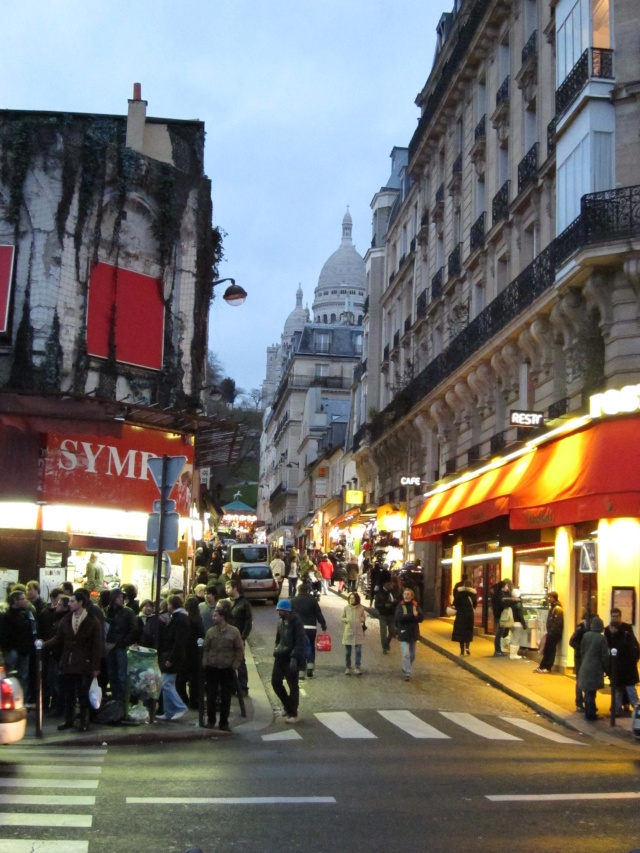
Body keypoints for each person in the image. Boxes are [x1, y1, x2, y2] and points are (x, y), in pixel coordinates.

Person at [42, 589, 102, 732]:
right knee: (69, 693)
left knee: (83, 693)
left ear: (81, 603)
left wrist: (95, 666)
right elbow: (58, 639)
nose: (69, 603)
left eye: (72, 601)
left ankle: (84, 721)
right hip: (68, 662)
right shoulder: (66, 619)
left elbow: (97, 645)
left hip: (85, 663)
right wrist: (44, 644)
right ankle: (69, 720)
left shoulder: (92, 621)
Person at [202, 599, 244, 732]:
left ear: (222, 617)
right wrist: (205, 661)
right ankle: (211, 720)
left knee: (226, 696)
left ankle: (224, 722)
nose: (213, 618)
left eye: (215, 616)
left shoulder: (234, 632)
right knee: (211, 694)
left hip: (227, 668)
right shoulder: (211, 632)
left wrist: (235, 664)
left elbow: (239, 649)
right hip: (212, 667)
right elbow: (206, 648)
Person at [271, 598, 306, 724]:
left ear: (287, 611)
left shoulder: (296, 623)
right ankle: (288, 705)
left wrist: (294, 657)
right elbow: (278, 638)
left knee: (293, 685)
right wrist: (276, 649)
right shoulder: (281, 621)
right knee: (275, 682)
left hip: (291, 658)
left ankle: (293, 713)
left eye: (281, 610)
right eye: (278, 610)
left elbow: (300, 642)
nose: (279, 613)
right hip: (280, 656)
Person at [156, 594, 190, 722]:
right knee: (166, 683)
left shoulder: (180, 619)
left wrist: (171, 659)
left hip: (173, 657)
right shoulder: (180, 618)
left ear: (171, 605)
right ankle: (168, 711)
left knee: (166, 683)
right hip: (173, 656)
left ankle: (180, 707)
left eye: (168, 604)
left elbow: (179, 642)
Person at [0, 589, 37, 699]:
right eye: (22, 599)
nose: (25, 600)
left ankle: (22, 699)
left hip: (24, 651)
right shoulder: (5, 616)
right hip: (12, 650)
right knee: (9, 676)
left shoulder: (25, 614)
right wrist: (8, 648)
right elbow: (3, 635)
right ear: (14, 601)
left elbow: (30, 631)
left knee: (23, 677)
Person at [104, 589, 138, 702]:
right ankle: (115, 699)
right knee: (112, 674)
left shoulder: (128, 612)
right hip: (109, 647)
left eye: (122, 597)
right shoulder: (106, 611)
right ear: (112, 599)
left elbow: (134, 629)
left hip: (121, 647)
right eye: (119, 597)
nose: (121, 599)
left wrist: (124, 642)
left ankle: (123, 702)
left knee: (122, 675)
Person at [605, 607, 640, 716]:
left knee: (629, 689)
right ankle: (617, 710)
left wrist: (635, 660)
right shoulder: (608, 630)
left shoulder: (626, 629)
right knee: (618, 689)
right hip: (616, 665)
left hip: (627, 665)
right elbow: (608, 646)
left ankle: (636, 709)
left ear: (620, 617)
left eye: (617, 616)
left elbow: (633, 645)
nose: (615, 619)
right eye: (613, 616)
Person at [291, 581, 327, 678]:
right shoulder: (313, 601)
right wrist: (323, 624)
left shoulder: (293, 600)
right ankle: (310, 666)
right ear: (308, 590)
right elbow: (318, 614)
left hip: (299, 628)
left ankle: (302, 671)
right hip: (311, 627)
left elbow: (290, 615)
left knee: (301, 648)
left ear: (298, 590)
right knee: (310, 645)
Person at [578, 615, 610, 721]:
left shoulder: (586, 636)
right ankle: (590, 714)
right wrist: (607, 669)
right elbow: (604, 655)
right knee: (592, 692)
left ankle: (588, 711)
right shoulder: (601, 638)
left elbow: (582, 651)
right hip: (595, 668)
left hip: (585, 666)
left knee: (588, 691)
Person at [225, 578, 252, 695]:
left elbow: (248, 622)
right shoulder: (226, 602)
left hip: (239, 637)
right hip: (226, 636)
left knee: (240, 662)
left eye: (228, 588)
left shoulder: (244, 603)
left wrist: (243, 637)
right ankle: (230, 686)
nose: (226, 590)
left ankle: (242, 687)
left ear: (235, 588)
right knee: (227, 661)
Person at [395, 587, 424, 681]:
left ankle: (406, 666)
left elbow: (421, 618)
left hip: (413, 633)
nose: (406, 595)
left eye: (408, 594)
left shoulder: (415, 605)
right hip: (403, 633)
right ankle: (408, 672)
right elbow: (399, 618)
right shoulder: (400, 605)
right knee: (406, 654)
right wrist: (412, 615)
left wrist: (411, 617)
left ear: (412, 596)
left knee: (412, 655)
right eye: (405, 594)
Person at [535, 591, 564, 673]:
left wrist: (551, 631)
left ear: (554, 598)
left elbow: (557, 622)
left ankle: (547, 667)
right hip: (551, 632)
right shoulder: (553, 608)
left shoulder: (557, 609)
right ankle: (543, 666)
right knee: (547, 649)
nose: (548, 599)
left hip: (554, 633)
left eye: (550, 597)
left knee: (550, 650)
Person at [341, 592, 366, 676]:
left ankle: (357, 667)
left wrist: (360, 619)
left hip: (358, 632)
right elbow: (342, 617)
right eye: (350, 598)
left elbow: (363, 617)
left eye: (353, 598)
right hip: (349, 632)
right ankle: (348, 667)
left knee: (358, 651)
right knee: (348, 652)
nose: (351, 600)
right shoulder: (346, 608)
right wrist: (346, 620)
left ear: (357, 599)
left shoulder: (361, 608)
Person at [451, 576, 477, 656]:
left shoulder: (460, 593)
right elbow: (475, 604)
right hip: (469, 615)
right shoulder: (473, 594)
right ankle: (467, 648)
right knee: (468, 631)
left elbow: (455, 603)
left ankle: (462, 650)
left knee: (461, 632)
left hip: (461, 615)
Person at [569, 613, 589, 711]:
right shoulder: (581, 628)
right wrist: (581, 649)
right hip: (579, 657)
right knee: (580, 680)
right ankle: (579, 703)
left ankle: (583, 702)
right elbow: (572, 641)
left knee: (582, 679)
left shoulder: (584, 628)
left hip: (583, 657)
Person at [374, 581, 399, 654]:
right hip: (383, 615)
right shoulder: (380, 593)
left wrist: (395, 602)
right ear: (385, 584)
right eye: (390, 584)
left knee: (392, 631)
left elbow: (398, 602)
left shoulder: (393, 592)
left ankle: (387, 643)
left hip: (392, 615)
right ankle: (384, 647)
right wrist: (384, 605)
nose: (392, 585)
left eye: (392, 584)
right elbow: (376, 605)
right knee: (383, 632)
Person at [491, 579, 511, 657]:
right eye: (506, 586)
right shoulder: (500, 595)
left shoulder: (497, 594)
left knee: (499, 633)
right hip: (500, 617)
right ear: (502, 587)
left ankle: (498, 650)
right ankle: (498, 650)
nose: (507, 587)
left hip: (498, 616)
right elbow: (503, 605)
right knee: (499, 634)